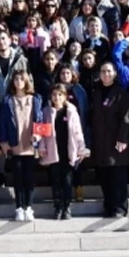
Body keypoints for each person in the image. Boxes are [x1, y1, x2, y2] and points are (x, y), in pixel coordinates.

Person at [0, 69, 43, 221]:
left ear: (26, 81)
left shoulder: (35, 99)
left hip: (30, 145)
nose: (18, 82)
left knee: (29, 178)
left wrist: (38, 135)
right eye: (16, 79)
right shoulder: (7, 100)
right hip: (15, 144)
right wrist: (4, 143)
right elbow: (3, 123)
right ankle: (19, 207)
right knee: (18, 178)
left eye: (21, 79)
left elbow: (40, 120)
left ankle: (28, 207)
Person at [39, 84, 87, 220]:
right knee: (55, 180)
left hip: (67, 150)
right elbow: (42, 132)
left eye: (60, 95)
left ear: (65, 96)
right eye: (54, 95)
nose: (57, 97)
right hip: (53, 149)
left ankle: (67, 206)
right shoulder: (46, 111)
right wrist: (42, 147)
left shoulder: (71, 110)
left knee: (67, 180)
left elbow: (78, 132)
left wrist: (81, 148)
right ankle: (57, 206)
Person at [90, 61, 129, 218]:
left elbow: (126, 118)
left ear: (115, 73)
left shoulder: (121, 93)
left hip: (116, 142)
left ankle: (120, 208)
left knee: (118, 177)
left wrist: (122, 138)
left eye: (109, 71)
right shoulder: (97, 92)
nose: (106, 74)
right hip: (100, 142)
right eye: (103, 71)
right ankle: (108, 206)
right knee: (105, 176)